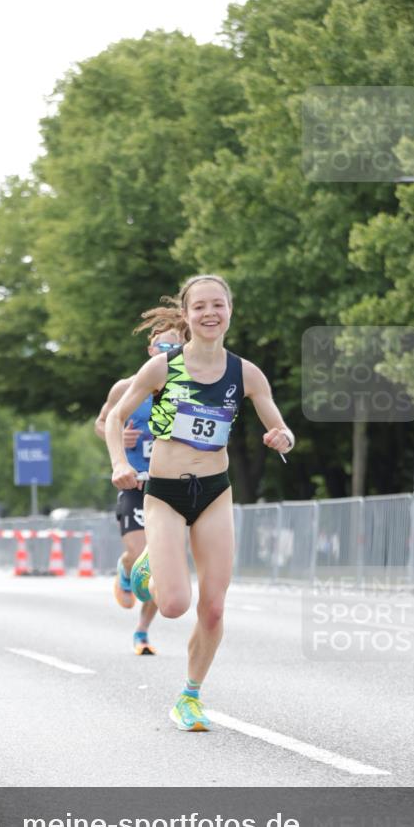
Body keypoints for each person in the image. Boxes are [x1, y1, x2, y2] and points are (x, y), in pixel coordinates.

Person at [105, 275, 294, 730]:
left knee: (212, 606)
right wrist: (118, 463)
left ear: (230, 310)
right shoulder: (163, 368)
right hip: (166, 495)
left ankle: (189, 696)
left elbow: (280, 425)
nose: (210, 313)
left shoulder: (245, 373)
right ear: (187, 316)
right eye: (200, 307)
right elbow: (115, 416)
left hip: (214, 493)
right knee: (172, 605)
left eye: (218, 305)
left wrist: (282, 436)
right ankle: (144, 562)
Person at [95, 321, 185, 655]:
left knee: (159, 561)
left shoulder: (188, 388)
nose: (168, 354)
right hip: (134, 482)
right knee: (139, 553)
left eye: (174, 348)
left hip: (169, 485)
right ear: (150, 351)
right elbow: (102, 422)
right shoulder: (127, 388)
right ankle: (126, 566)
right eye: (162, 348)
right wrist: (117, 437)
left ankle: (142, 633)